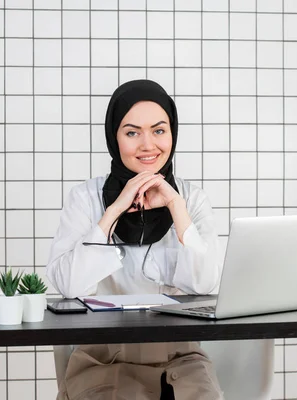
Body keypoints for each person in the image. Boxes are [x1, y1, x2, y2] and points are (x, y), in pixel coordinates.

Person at [46, 79, 224, 400]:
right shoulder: (85, 198)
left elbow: (206, 283)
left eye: (159, 130)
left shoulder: (191, 199)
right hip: (105, 358)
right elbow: (69, 285)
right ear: (114, 138)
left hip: (180, 359)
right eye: (132, 132)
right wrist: (114, 209)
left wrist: (175, 206)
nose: (147, 145)